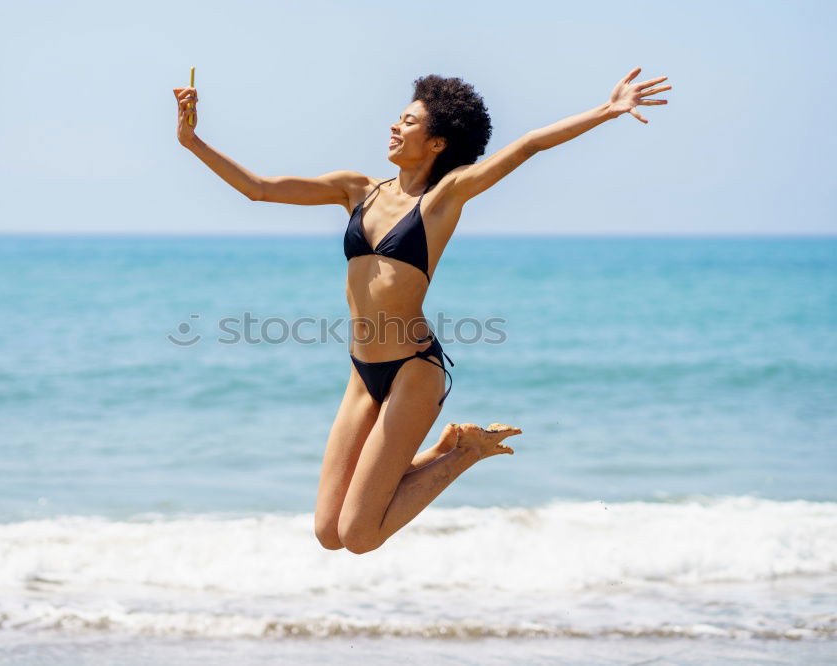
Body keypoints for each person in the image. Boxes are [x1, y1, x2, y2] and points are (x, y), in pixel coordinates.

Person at [173, 67, 671, 554]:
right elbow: (259, 188)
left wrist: (608, 110)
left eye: (409, 121)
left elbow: (529, 145)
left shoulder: (443, 197)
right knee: (329, 532)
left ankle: (463, 455)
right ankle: (448, 447)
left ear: (437, 142)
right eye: (400, 118)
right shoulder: (356, 189)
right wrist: (191, 141)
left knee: (361, 536)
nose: (395, 125)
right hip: (361, 372)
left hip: (414, 370)